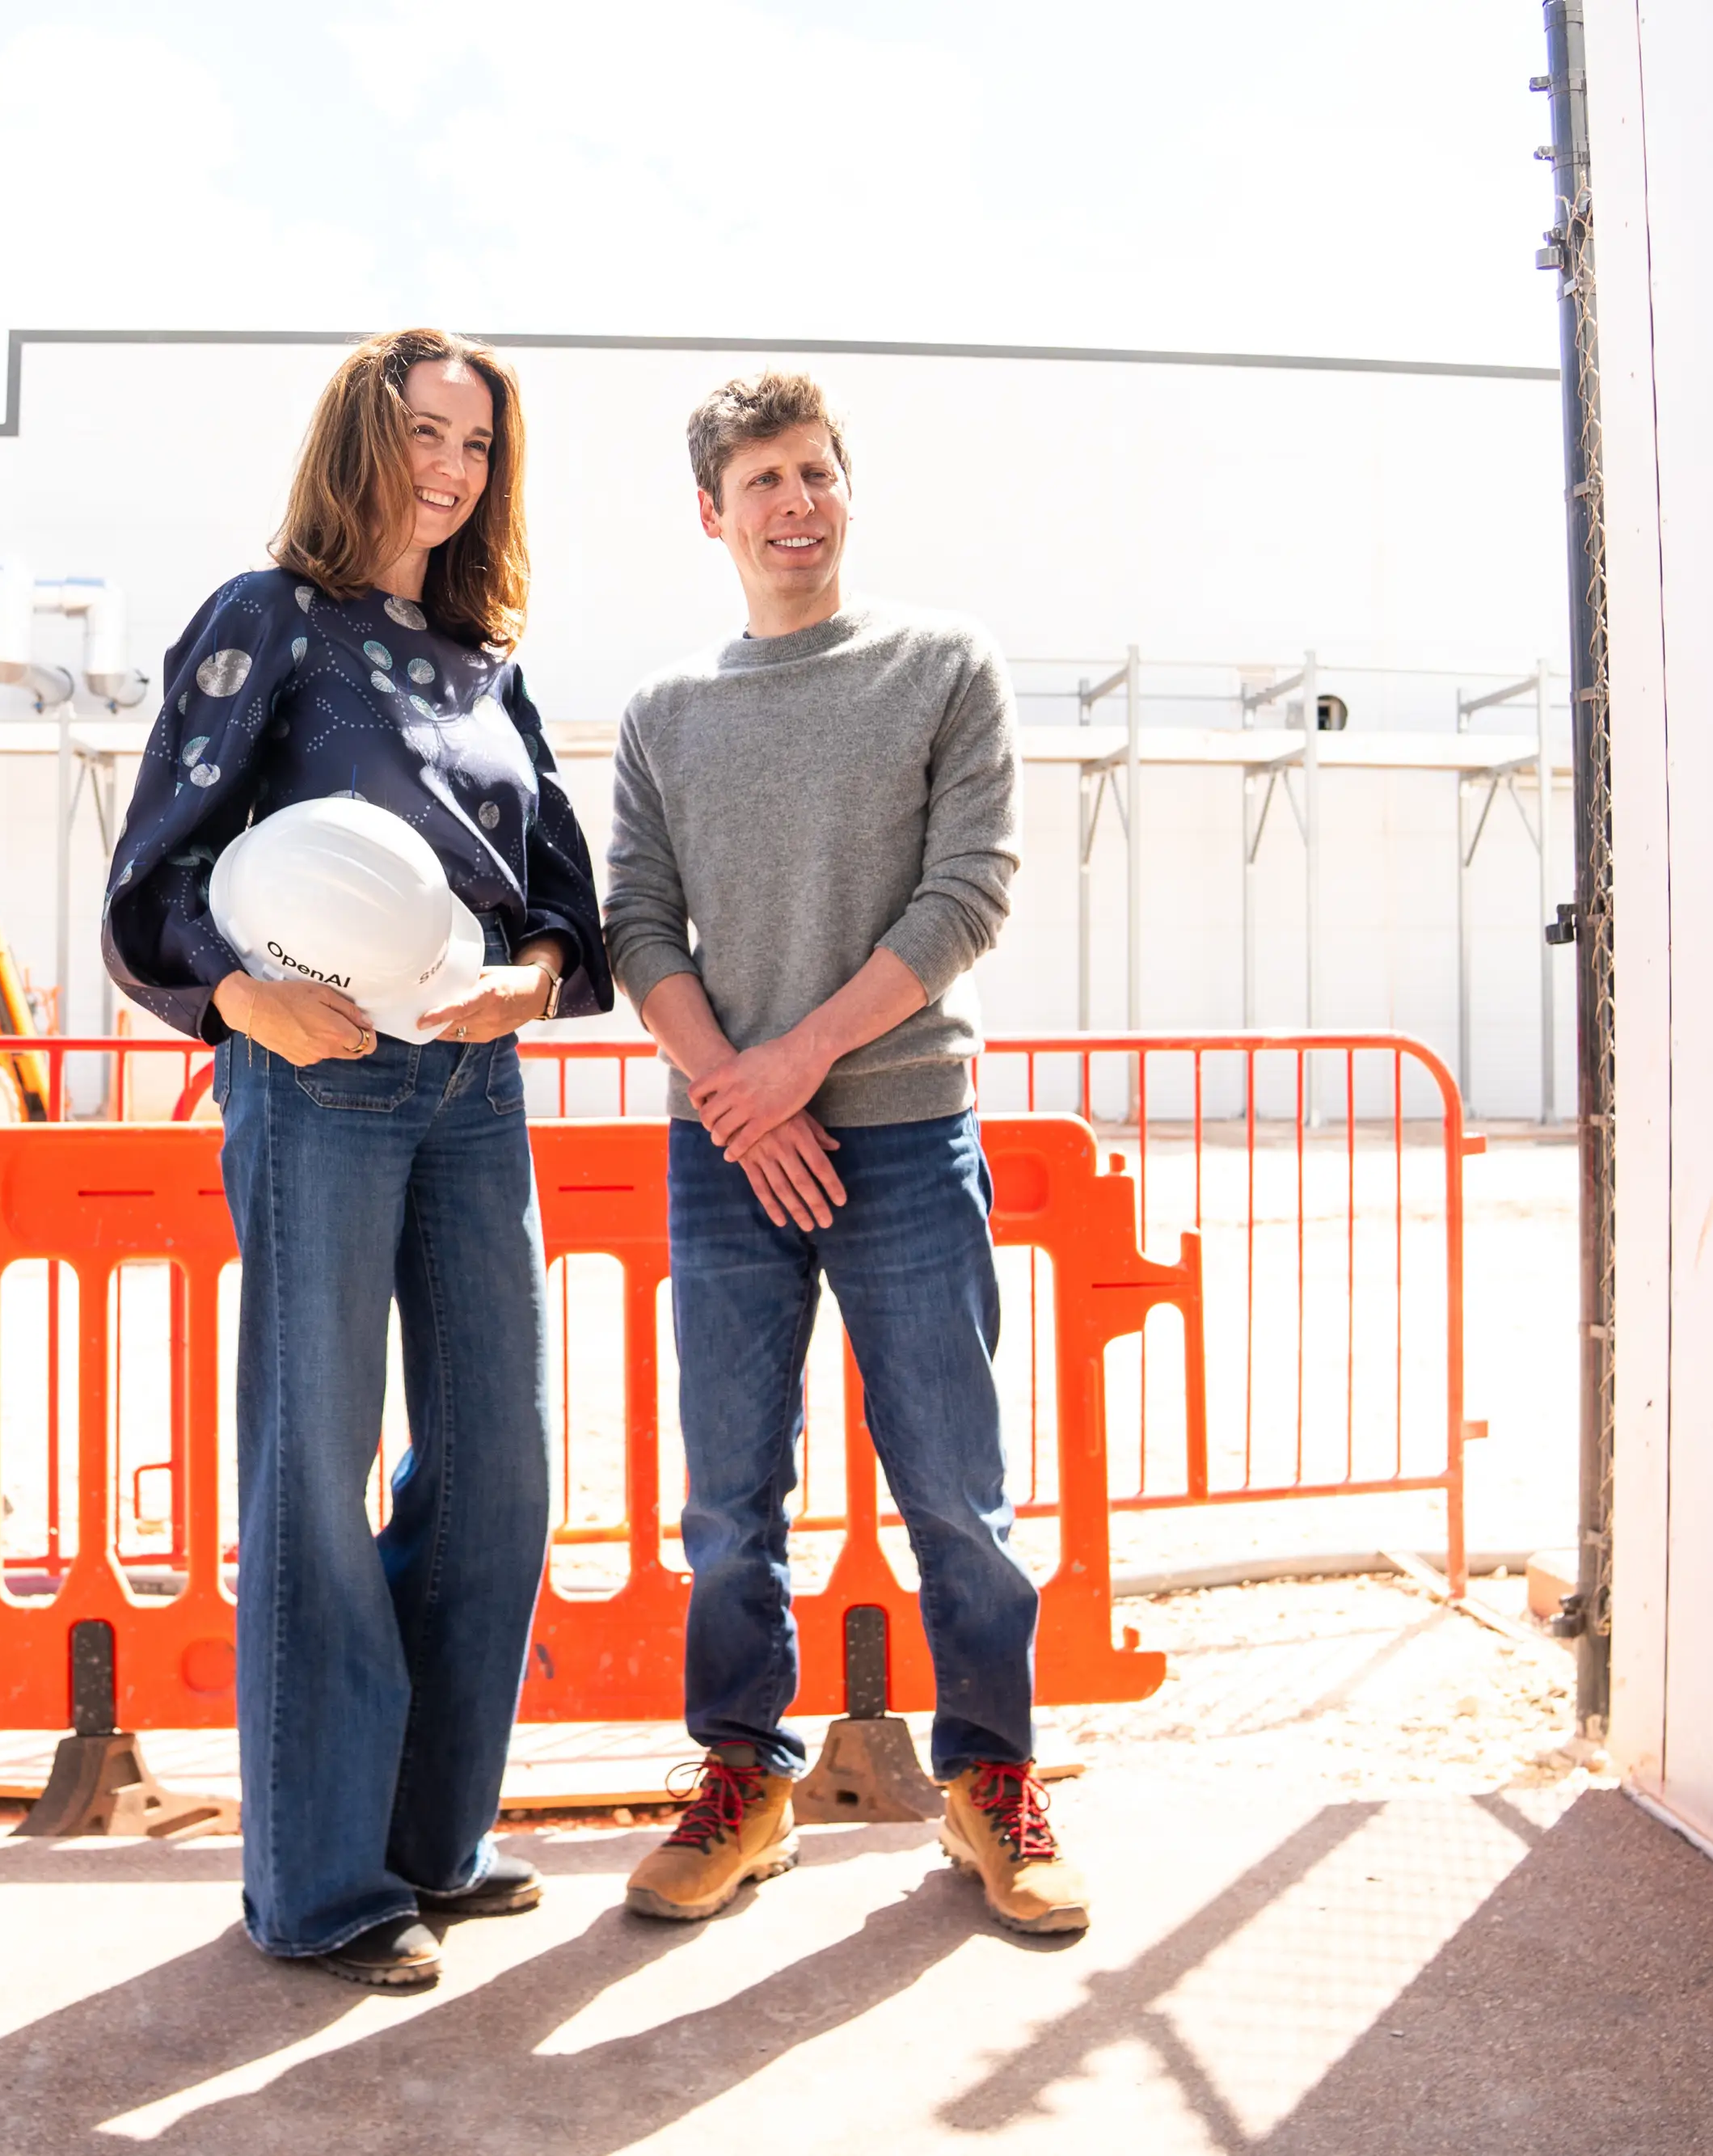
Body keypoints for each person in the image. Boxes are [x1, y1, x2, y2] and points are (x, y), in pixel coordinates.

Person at [103, 327, 610, 1989]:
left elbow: (553, 898)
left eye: (475, 445)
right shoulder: (265, 624)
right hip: (313, 1079)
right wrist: (244, 999)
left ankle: (431, 1842)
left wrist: (527, 981)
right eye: (420, 435)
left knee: (495, 1470)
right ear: (355, 442)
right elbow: (155, 879)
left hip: (467, 1087)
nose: (448, 470)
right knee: (310, 1470)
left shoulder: (486, 666)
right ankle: (319, 1881)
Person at [605, 370, 1091, 1936]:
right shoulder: (664, 716)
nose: (793, 502)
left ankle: (988, 1785)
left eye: (814, 472)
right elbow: (630, 924)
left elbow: (968, 892)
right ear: (711, 514)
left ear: (843, 491)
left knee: (954, 1489)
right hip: (726, 1156)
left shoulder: (941, 666)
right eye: (760, 480)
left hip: (897, 1134)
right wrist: (737, 1101)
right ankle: (742, 1783)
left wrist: (789, 1065)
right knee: (727, 1501)